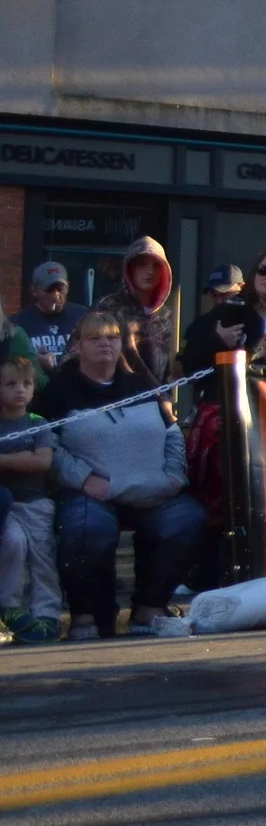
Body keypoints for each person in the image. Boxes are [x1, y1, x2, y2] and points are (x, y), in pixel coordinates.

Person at [42, 311, 206, 640]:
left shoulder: (142, 384)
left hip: (155, 490)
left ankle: (150, 609)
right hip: (94, 492)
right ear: (78, 346)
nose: (105, 343)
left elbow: (172, 430)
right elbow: (46, 444)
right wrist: (83, 478)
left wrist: (174, 473)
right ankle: (89, 616)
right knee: (86, 530)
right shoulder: (59, 391)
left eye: (112, 337)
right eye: (95, 338)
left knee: (190, 520)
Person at [0, 357, 65, 642]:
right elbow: (30, 460)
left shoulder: (39, 423)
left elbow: (42, 463)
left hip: (36, 503)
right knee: (13, 545)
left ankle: (47, 614)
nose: (20, 391)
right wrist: (21, 459)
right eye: (11, 384)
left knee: (42, 556)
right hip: (8, 507)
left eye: (26, 384)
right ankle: (10, 606)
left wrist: (4, 460)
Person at [94, 236, 177, 386]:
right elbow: (75, 356)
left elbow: (170, 369)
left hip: (157, 404)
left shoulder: (167, 316)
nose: (150, 271)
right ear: (130, 269)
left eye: (156, 266)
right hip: (112, 400)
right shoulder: (108, 307)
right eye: (142, 265)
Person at [176, 265, 254, 376]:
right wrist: (215, 341)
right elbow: (178, 371)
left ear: (242, 287)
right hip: (212, 390)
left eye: (225, 294)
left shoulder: (254, 320)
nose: (218, 301)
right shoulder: (200, 325)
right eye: (214, 295)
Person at [14, 262, 87, 376]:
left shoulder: (84, 317)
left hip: (76, 386)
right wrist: (33, 361)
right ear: (34, 291)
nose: (56, 295)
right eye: (49, 290)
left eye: (60, 289)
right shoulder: (18, 323)